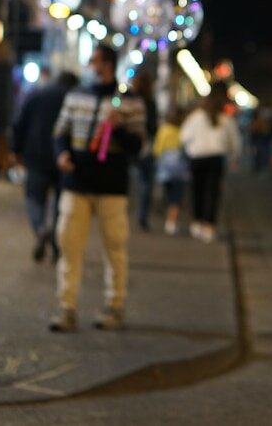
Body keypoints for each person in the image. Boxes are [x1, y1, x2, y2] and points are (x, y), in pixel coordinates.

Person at [49, 45, 147, 332]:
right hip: (76, 182)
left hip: (111, 185)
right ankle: (66, 308)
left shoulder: (130, 102)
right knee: (68, 244)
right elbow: (60, 132)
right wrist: (62, 154)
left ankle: (114, 305)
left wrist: (117, 129)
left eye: (96, 61)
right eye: (91, 61)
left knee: (115, 247)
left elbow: (139, 146)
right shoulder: (77, 94)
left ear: (108, 64)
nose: (92, 66)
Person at [10, 70, 79, 263]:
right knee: (60, 204)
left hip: (36, 155)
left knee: (34, 198)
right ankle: (57, 245)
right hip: (65, 159)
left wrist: (16, 149)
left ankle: (40, 228)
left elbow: (20, 121)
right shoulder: (75, 98)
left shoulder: (38, 94)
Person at [179, 91, 242, 243]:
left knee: (197, 190)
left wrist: (189, 150)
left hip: (197, 158)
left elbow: (184, 137)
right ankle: (209, 225)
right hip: (215, 159)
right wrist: (234, 157)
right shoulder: (225, 119)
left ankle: (197, 222)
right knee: (212, 192)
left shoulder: (195, 118)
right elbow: (234, 141)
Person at [152, 106, 188, 235]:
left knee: (167, 193)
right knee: (175, 196)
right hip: (179, 168)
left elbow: (157, 148)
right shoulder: (183, 130)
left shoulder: (164, 129)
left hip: (165, 167)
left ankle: (166, 215)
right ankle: (171, 222)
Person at [130, 72, 159, 231]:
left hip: (130, 146)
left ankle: (129, 212)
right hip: (145, 146)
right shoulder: (150, 103)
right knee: (146, 182)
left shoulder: (130, 100)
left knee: (132, 181)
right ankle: (141, 216)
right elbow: (154, 127)